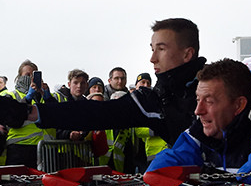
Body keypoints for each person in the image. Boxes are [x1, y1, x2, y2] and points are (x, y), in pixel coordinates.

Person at [33, 18, 207, 147]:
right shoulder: (156, 98)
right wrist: (32, 112)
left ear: (187, 54)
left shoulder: (218, 88)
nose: (152, 58)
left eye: (161, 49)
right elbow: (100, 113)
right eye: (152, 49)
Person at [147, 59, 251, 173]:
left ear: (238, 105)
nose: (198, 110)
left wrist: (213, 181)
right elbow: (169, 162)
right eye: (198, 100)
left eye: (209, 101)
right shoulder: (204, 128)